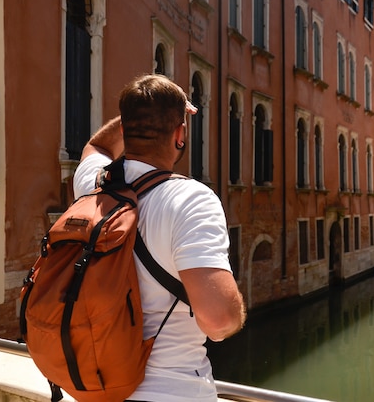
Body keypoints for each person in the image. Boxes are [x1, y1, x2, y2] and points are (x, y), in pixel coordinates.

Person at [73, 74, 246, 402]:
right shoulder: (191, 199)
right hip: (173, 392)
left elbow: (97, 146)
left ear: (124, 129)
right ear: (180, 135)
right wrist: (239, 309)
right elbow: (219, 321)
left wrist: (137, 113)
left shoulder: (91, 185)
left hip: (95, 386)